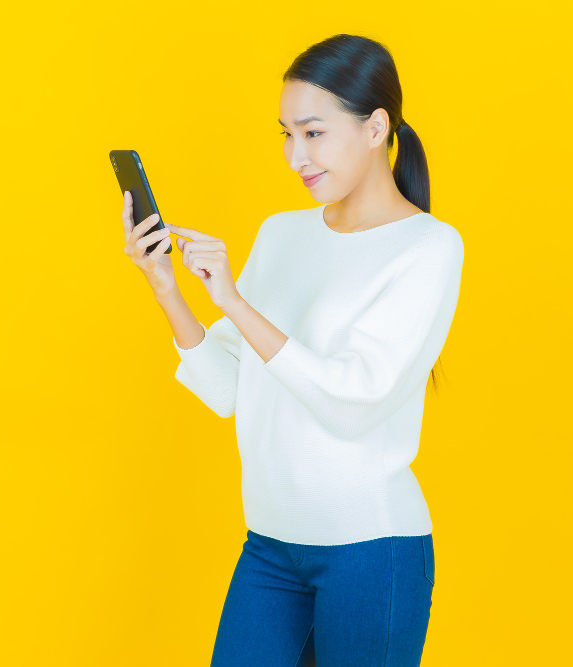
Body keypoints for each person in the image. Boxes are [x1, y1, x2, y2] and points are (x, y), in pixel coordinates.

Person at [121, 33, 464, 667]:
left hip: (371, 549)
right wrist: (168, 289)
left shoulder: (428, 248)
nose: (293, 155)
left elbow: (354, 402)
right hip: (271, 546)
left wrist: (235, 303)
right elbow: (228, 389)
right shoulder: (281, 234)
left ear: (375, 127)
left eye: (312, 133)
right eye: (284, 134)